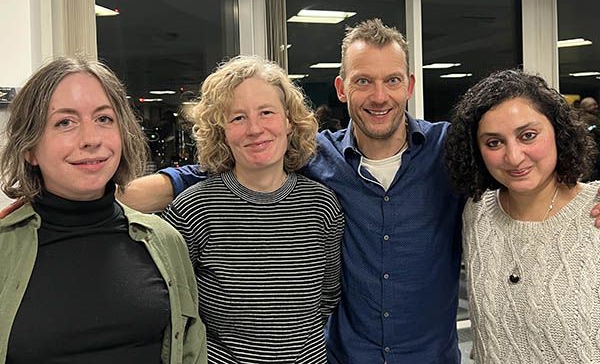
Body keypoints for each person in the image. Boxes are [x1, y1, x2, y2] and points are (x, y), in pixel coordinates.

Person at [119, 19, 464, 363]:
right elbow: (234, 173)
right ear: (342, 89)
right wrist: (111, 196)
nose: (379, 95)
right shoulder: (320, 159)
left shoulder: (448, 151)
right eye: (363, 81)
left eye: (392, 80)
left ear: (410, 85)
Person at [0, 56, 207, 364]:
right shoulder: (5, 247)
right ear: (29, 148)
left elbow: (191, 349)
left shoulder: (164, 241)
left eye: (104, 119)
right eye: (64, 123)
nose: (91, 139)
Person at [160, 55, 344, 363]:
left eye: (267, 112)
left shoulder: (322, 206)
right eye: (238, 118)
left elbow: (327, 299)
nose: (254, 129)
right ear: (222, 132)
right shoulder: (192, 211)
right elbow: (177, 313)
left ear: (288, 121)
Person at [445, 69, 600, 362]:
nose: (514, 157)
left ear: (558, 130)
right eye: (494, 143)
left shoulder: (594, 215)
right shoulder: (477, 214)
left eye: (528, 135)